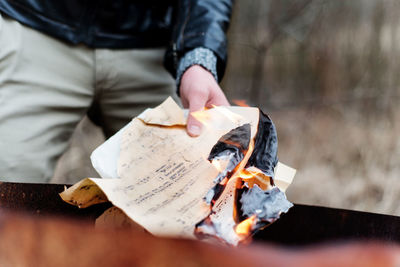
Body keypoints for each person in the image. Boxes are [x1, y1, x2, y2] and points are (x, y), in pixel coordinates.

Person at [0, 1, 232, 183]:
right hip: (35, 25)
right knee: (6, 182)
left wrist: (198, 56)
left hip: (154, 44)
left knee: (188, 195)